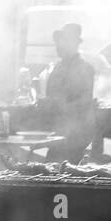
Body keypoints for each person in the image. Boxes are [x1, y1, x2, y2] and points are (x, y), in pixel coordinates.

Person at [42, 22, 97, 163]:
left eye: (63, 41)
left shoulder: (84, 68)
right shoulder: (57, 68)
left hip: (76, 133)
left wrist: (63, 107)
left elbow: (85, 100)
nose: (58, 45)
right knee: (52, 164)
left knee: (62, 166)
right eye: (58, 41)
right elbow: (51, 95)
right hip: (60, 130)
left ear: (73, 43)